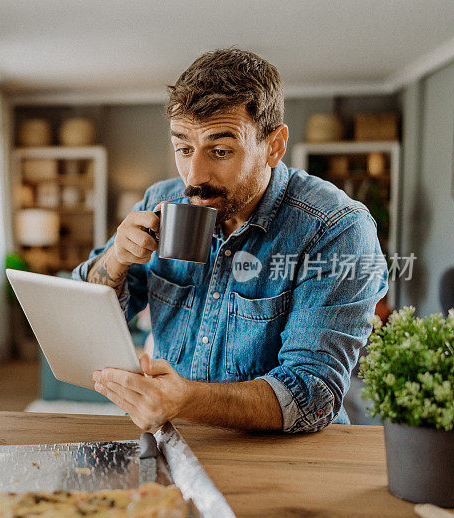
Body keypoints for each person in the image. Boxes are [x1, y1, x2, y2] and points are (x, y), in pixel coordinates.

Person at [73, 48, 388, 434]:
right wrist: (116, 258)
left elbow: (313, 394)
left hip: (287, 457)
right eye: (184, 149)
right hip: (177, 440)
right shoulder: (163, 201)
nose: (194, 175)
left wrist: (185, 400)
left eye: (220, 151)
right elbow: (83, 319)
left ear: (274, 146)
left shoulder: (336, 230)